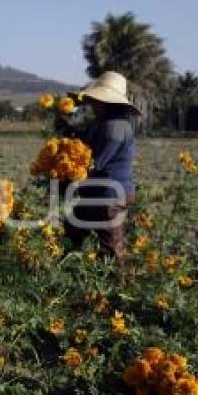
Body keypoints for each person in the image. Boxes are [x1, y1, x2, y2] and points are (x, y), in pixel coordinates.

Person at [57, 71, 139, 262]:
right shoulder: (103, 122)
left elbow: (94, 161)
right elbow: (83, 144)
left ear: (108, 101)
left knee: (111, 249)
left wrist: (66, 174)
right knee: (73, 233)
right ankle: (69, 277)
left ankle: (117, 287)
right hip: (96, 193)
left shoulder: (115, 127)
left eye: (96, 100)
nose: (92, 103)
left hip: (108, 197)